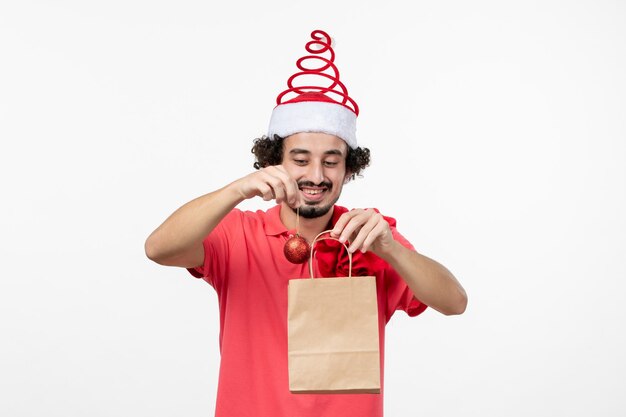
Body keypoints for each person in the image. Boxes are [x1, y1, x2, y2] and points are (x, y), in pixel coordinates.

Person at [145, 29, 467, 417]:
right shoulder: (238, 234)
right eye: (300, 159)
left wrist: (390, 248)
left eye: (331, 161)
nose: (316, 174)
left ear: (349, 168)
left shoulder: (368, 236)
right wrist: (235, 190)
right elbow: (158, 248)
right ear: (275, 161)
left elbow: (455, 303)